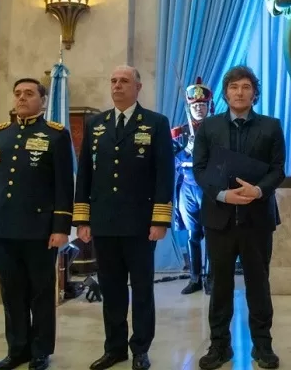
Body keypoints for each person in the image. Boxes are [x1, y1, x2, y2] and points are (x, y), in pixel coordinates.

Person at [73, 65, 173, 370]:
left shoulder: (155, 123)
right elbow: (85, 174)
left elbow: (164, 174)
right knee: (112, 289)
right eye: (114, 81)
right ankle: (114, 348)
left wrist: (160, 220)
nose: (117, 85)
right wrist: (83, 219)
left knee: (141, 290)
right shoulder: (96, 124)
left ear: (138, 87)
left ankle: (140, 348)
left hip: (140, 224)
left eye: (124, 81)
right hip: (104, 223)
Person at [0, 78, 74, 370]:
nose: (21, 98)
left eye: (29, 93)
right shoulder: (1, 134)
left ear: (43, 100)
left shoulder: (56, 135)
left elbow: (63, 185)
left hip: (39, 229)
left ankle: (40, 350)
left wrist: (61, 228)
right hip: (3, 227)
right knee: (11, 293)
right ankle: (17, 349)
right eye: (18, 93)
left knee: (41, 293)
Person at [193, 66, 286, 370]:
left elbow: (278, 170)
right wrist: (222, 195)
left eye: (246, 87)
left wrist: (258, 190)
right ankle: (219, 346)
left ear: (254, 93)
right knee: (219, 286)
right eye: (234, 87)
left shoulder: (271, 126)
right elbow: (200, 169)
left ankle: (263, 345)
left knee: (258, 285)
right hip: (219, 219)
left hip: (257, 219)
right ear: (226, 93)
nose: (240, 92)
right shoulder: (208, 127)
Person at [172, 76, 214, 295]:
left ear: (209, 106)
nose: (199, 108)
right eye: (195, 105)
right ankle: (195, 278)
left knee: (212, 233)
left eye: (202, 105)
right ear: (190, 107)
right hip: (187, 187)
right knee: (193, 235)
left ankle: (212, 278)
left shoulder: (218, 129)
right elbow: (170, 159)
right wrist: (187, 149)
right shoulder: (179, 132)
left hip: (209, 187)